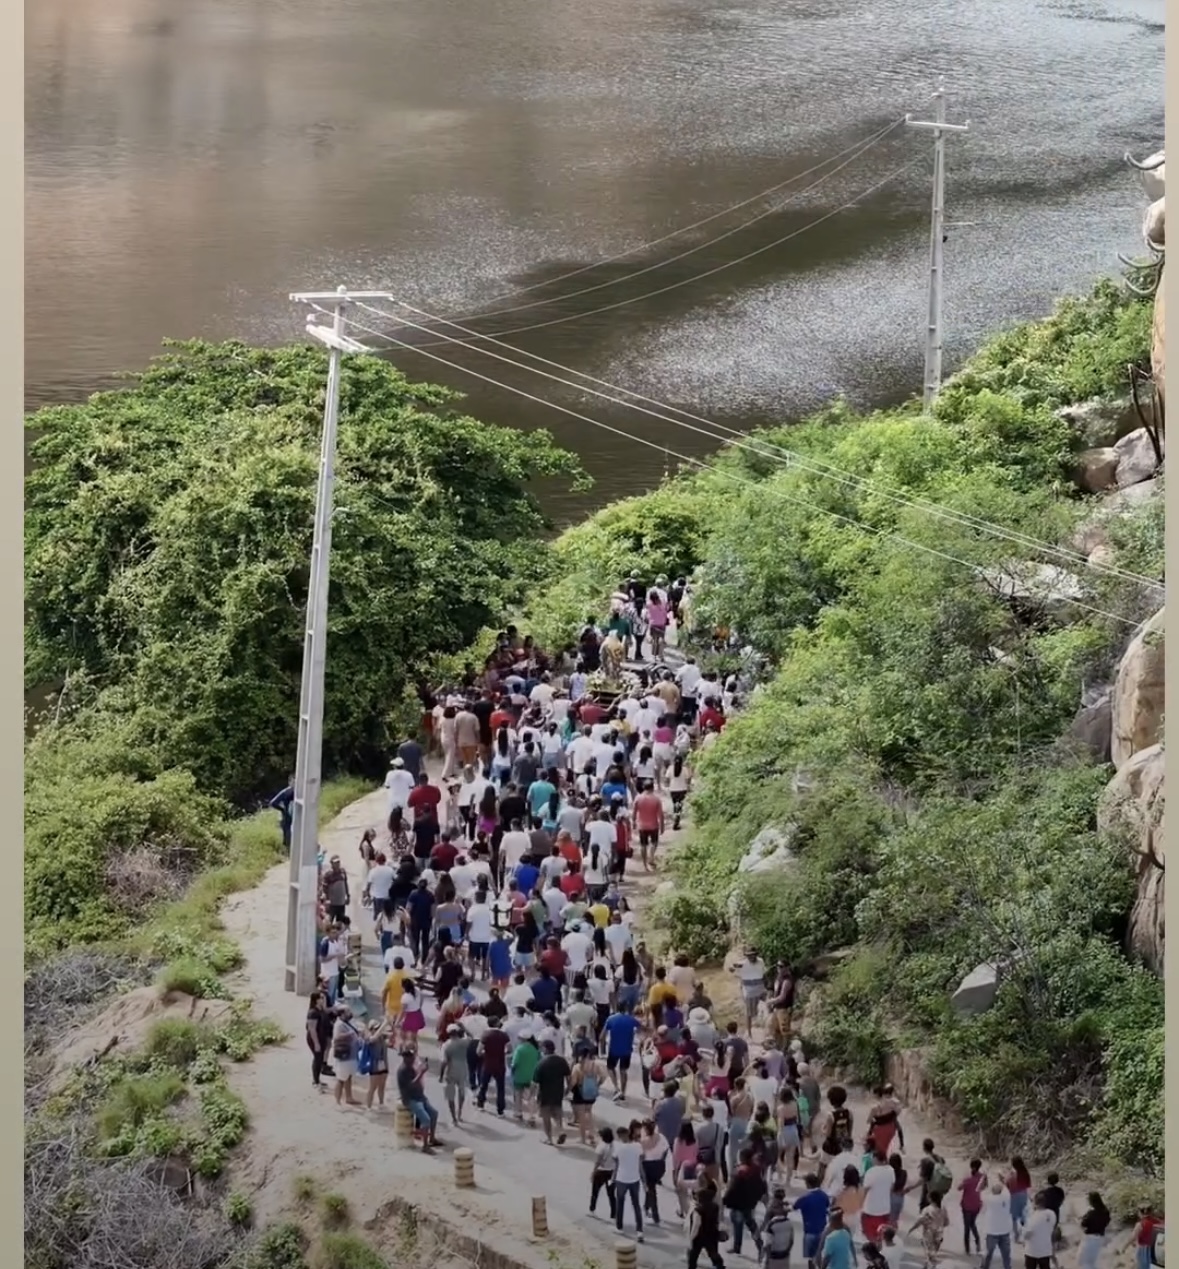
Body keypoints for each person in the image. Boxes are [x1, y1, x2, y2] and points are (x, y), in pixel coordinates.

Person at [723, 1146, 765, 1258]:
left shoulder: (739, 1172)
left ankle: (737, 1247)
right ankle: (760, 1244)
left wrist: (725, 1200)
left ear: (742, 1158)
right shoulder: (756, 1170)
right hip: (750, 1204)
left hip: (738, 1204)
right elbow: (761, 1187)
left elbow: (732, 1189)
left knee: (738, 1225)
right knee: (752, 1224)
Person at [396, 1048, 440, 1151]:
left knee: (434, 1114)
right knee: (426, 1119)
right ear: (405, 1058)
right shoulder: (402, 1071)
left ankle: (431, 1138)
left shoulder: (410, 1068)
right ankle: (425, 1146)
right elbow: (411, 1085)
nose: (413, 1059)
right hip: (411, 1099)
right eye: (411, 1057)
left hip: (419, 1096)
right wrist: (421, 1073)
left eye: (413, 1057)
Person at [612, 1124, 646, 1242]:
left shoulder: (618, 1148)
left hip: (621, 1179)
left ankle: (619, 1227)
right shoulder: (637, 1146)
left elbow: (616, 1163)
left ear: (619, 1136)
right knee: (636, 1205)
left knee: (620, 1203)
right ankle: (640, 1231)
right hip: (634, 1179)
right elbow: (641, 1162)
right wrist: (644, 1181)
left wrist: (613, 1179)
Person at [687, 1180, 727, 1269]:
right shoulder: (715, 1207)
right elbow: (718, 1220)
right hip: (712, 1235)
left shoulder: (698, 1210)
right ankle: (719, 1266)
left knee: (693, 1256)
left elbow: (696, 1225)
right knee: (713, 1254)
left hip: (699, 1237)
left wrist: (691, 1237)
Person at [439, 1022, 470, 1125]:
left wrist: (441, 1075)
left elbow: (444, 1062)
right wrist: (464, 1027)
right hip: (463, 1069)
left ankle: (454, 1118)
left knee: (450, 1095)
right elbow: (471, 1037)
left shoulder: (446, 1045)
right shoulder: (464, 1042)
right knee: (462, 1092)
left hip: (451, 1071)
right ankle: (459, 1112)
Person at [910, 1192, 948, 1269]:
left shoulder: (927, 1209)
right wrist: (939, 1224)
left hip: (929, 1234)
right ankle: (927, 1265)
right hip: (939, 1235)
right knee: (933, 1254)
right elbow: (947, 1222)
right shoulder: (943, 1209)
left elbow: (920, 1221)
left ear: (930, 1199)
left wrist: (912, 1229)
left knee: (929, 1254)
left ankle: (930, 1266)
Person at [981, 1180, 1015, 1269]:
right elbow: (1006, 1187)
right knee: (1006, 1255)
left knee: (988, 1254)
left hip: (992, 1232)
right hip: (1005, 1231)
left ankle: (984, 1267)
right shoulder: (1007, 1197)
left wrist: (983, 1179)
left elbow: (979, 1189)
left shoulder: (989, 1199)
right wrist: (1002, 1180)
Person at [959, 1158, 988, 1255]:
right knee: (972, 1224)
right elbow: (984, 1187)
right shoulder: (981, 1177)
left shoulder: (968, 1179)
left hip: (966, 1205)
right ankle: (977, 1242)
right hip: (977, 1205)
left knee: (967, 1227)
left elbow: (959, 1188)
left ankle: (967, 1249)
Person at [761, 1187, 795, 1268]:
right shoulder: (784, 1208)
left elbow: (766, 1221)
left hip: (770, 1233)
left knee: (766, 1250)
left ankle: (763, 1259)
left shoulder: (772, 1206)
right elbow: (791, 1241)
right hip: (783, 1248)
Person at [591, 1126, 618, 1220]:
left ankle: (592, 1209)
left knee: (595, 1192)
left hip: (601, 1172)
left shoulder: (601, 1146)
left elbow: (598, 1161)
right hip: (612, 1172)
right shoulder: (615, 1145)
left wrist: (593, 1172)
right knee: (611, 1194)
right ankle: (614, 1214)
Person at [1023, 1193, 1057, 1269]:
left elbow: (1026, 1235)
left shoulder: (1032, 1217)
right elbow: (1052, 1229)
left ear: (1035, 1203)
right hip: (1046, 1250)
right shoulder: (1051, 1214)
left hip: (1032, 1251)